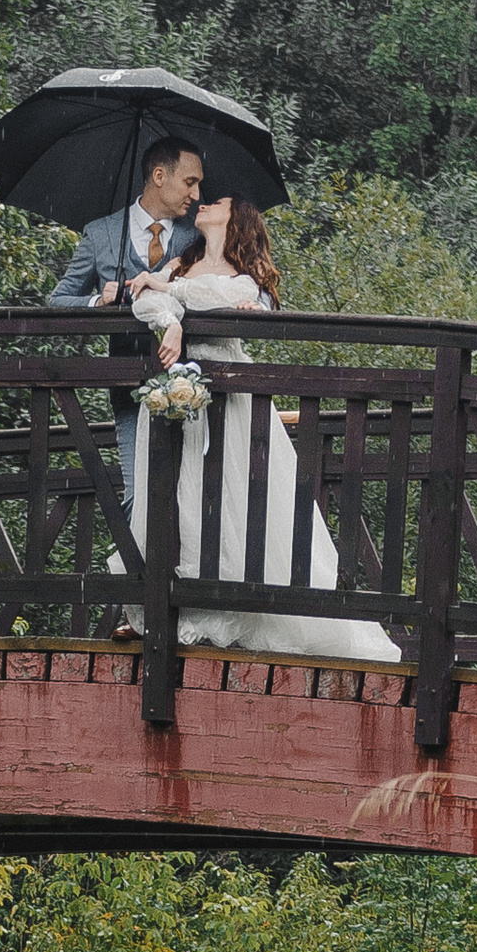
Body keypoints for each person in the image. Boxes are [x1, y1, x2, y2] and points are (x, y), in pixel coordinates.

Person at [130, 197, 402, 663]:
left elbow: (243, 304)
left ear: (236, 219)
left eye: (216, 200)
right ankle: (179, 603)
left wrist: (170, 290)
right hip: (178, 390)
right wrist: (170, 321)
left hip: (232, 396)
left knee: (239, 492)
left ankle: (242, 603)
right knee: (179, 493)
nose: (203, 201)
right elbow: (145, 298)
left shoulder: (246, 279)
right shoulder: (182, 261)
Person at [47, 138, 205, 501]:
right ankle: (139, 560)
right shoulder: (102, 232)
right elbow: (58, 300)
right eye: (190, 182)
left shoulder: (196, 236)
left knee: (186, 499)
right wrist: (95, 301)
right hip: (129, 385)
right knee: (139, 493)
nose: (195, 195)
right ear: (160, 175)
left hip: (192, 385)